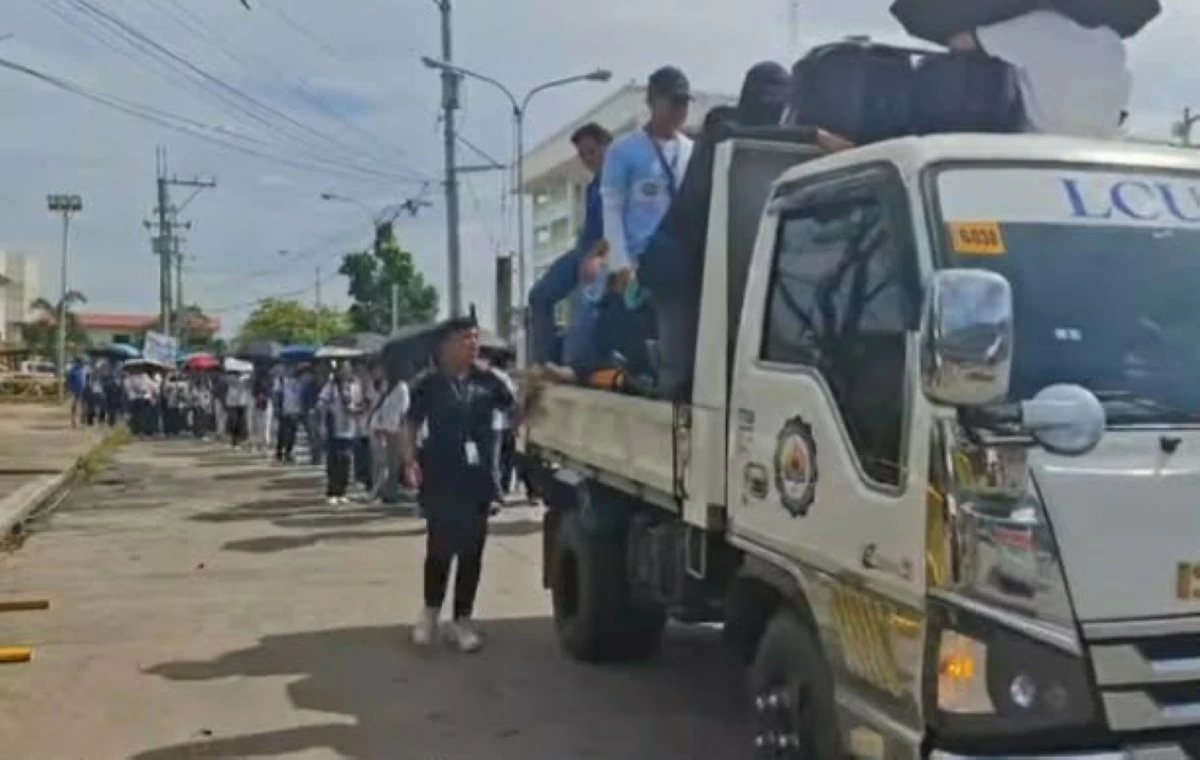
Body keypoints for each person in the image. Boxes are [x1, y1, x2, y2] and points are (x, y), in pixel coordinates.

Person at [402, 317, 518, 653]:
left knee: (472, 550)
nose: (473, 344)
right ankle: (430, 612)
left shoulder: (490, 381)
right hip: (441, 474)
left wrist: (532, 402)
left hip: (478, 478)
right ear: (446, 345)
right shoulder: (428, 384)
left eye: (475, 337)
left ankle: (462, 619)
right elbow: (410, 424)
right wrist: (409, 461)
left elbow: (514, 416)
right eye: (466, 338)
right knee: (439, 547)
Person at [948, 9, 1131, 138]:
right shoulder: (1111, 41)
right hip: (1101, 149)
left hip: (1044, 145)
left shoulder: (1039, 24)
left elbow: (961, 42)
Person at [600, 66, 696, 299]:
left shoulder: (692, 151)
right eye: (674, 101)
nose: (680, 109)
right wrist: (620, 265)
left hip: (680, 267)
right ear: (653, 101)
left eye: (684, 102)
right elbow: (612, 211)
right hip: (638, 270)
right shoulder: (623, 150)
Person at [528, 122, 612, 369]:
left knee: (582, 299)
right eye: (583, 155)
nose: (588, 160)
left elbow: (622, 228)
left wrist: (595, 255)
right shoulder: (593, 186)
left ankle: (573, 365)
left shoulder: (622, 180)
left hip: (609, 253)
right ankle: (545, 361)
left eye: (592, 152)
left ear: (607, 147)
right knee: (539, 296)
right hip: (584, 251)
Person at [319, 361, 366, 505]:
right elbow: (322, 404)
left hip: (350, 428)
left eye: (347, 369)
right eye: (342, 369)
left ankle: (342, 491)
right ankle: (332, 492)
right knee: (334, 461)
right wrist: (323, 423)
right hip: (334, 428)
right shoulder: (331, 386)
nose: (345, 372)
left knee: (346, 461)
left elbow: (360, 403)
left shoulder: (355, 386)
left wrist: (357, 410)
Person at [367, 368, 410, 505]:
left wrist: (401, 432)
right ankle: (383, 492)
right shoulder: (387, 387)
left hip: (394, 431)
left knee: (393, 464)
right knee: (383, 463)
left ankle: (391, 493)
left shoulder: (402, 388)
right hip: (383, 429)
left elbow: (403, 412)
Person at [275, 366, 304, 463]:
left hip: (296, 410)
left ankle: (288, 452)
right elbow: (277, 395)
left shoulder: (300, 382)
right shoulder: (281, 380)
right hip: (285, 410)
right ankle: (279, 452)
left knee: (292, 433)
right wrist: (277, 408)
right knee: (282, 433)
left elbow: (301, 396)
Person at [225, 370, 251, 449]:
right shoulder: (230, 380)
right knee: (233, 422)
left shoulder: (245, 380)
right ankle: (234, 441)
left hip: (242, 404)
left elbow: (250, 382)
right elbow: (228, 381)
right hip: (232, 404)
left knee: (240, 423)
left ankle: (238, 441)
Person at [67, 358, 89, 427]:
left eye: (82, 363)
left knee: (84, 405)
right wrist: (70, 389)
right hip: (76, 390)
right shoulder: (73, 370)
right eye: (80, 362)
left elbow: (87, 379)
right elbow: (69, 380)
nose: (82, 364)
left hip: (84, 389)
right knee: (75, 405)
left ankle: (83, 419)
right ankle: (73, 420)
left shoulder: (85, 369)